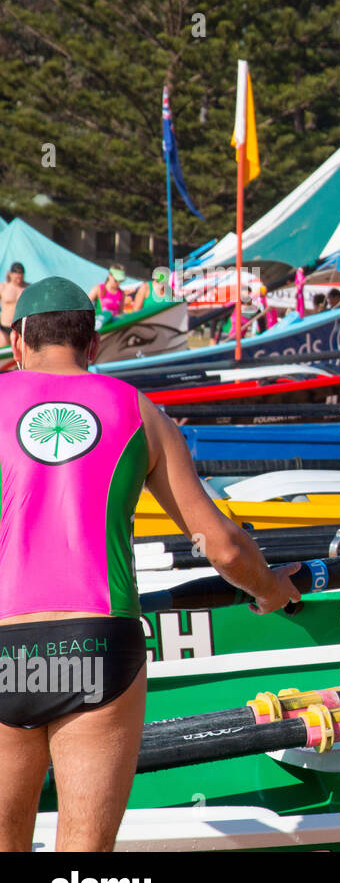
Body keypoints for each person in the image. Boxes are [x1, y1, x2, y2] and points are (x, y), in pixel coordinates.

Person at [0, 278, 300, 852]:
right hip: (97, 644)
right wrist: (269, 589)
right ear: (93, 347)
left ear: (19, 342)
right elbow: (224, 547)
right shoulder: (138, 411)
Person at [0, 262, 29, 346]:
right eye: (17, 273)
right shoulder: (3, 287)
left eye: (21, 274)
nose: (19, 276)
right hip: (4, 328)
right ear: (11, 274)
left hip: (21, 328)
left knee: (21, 352)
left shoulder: (28, 288)